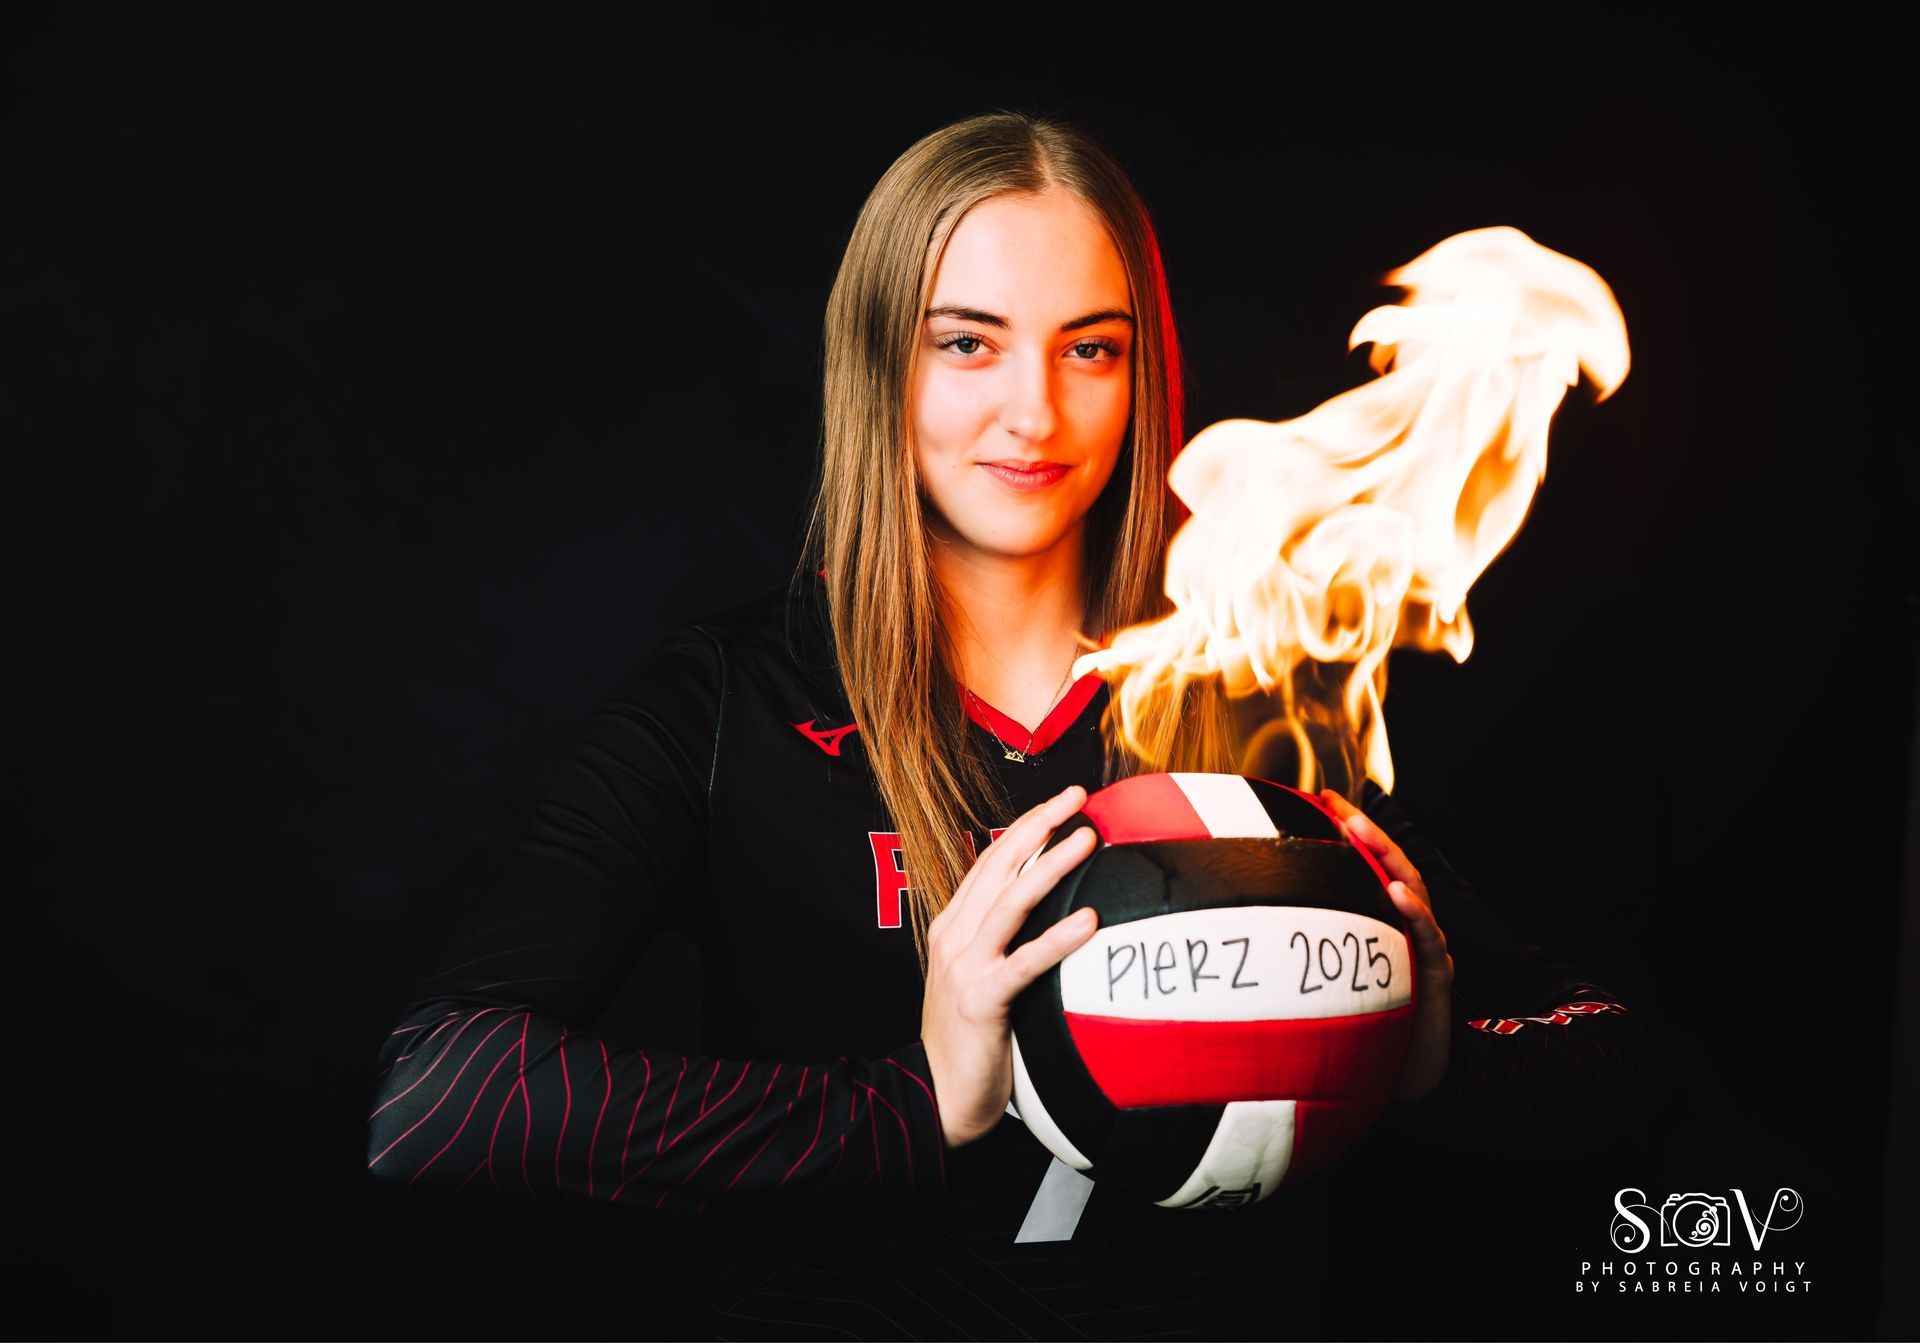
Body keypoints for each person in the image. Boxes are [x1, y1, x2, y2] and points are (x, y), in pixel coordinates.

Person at [365, 110, 1652, 1338]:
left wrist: (1437, 1060)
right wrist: (912, 1104)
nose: (1034, 411)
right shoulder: (735, 701)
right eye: (966, 342)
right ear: (880, 359)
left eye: (1090, 347)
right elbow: (446, 1093)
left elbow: (1608, 1052)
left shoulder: (1245, 691)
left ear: (1142, 373)